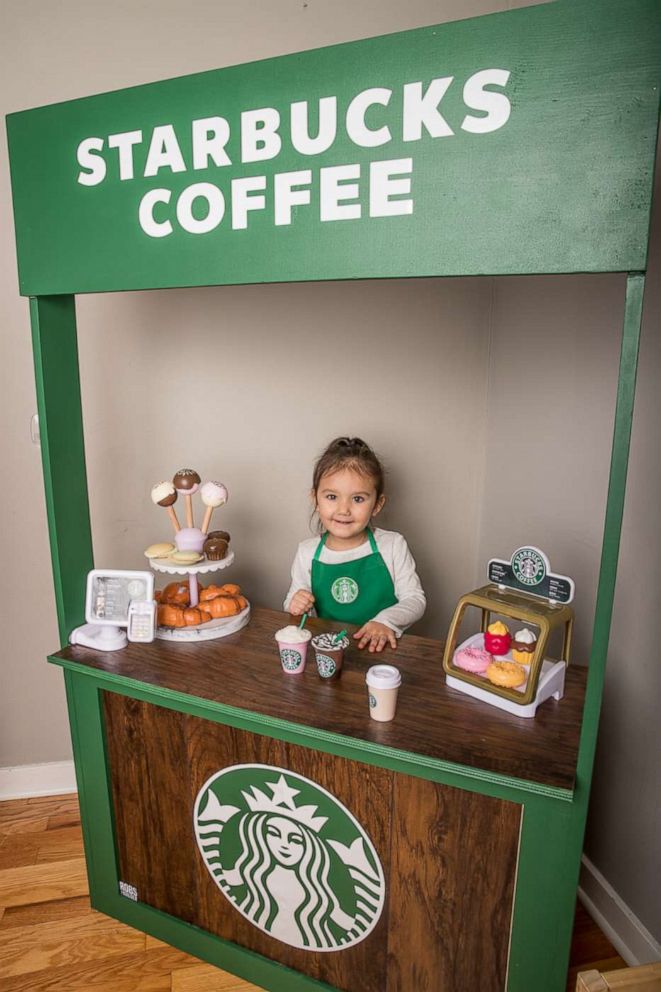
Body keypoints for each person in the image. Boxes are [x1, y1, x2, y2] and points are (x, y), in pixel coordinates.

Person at [284, 436, 426, 652]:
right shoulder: (307, 552)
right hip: (331, 649)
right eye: (332, 496)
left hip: (382, 648)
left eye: (358, 499)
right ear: (315, 499)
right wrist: (295, 604)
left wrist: (385, 621)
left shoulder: (392, 545)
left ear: (377, 504)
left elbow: (415, 599)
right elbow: (291, 602)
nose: (343, 510)